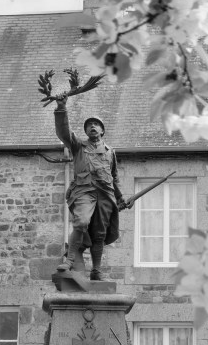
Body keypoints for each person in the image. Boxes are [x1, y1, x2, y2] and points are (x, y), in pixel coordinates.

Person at [54, 96, 126, 281]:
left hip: (105, 194)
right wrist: (61, 108)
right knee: (81, 222)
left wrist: (121, 197)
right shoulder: (78, 146)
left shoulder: (110, 151)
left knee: (99, 234)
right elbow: (64, 133)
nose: (92, 126)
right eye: (89, 125)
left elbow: (114, 176)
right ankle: (70, 260)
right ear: (85, 131)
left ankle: (96, 270)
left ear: (102, 130)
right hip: (84, 190)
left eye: (96, 124)